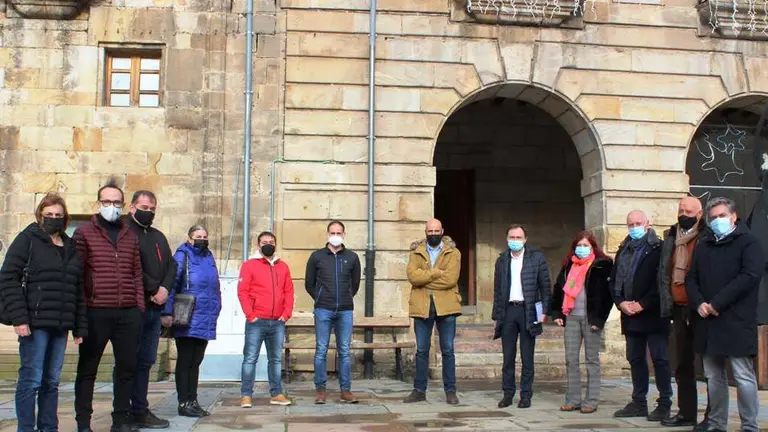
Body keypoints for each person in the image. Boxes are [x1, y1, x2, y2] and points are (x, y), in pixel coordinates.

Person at [0, 193, 87, 432]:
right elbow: (8, 278)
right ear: (40, 215)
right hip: (33, 324)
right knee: (31, 379)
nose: (53, 219)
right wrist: (19, 318)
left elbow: (76, 288)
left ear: (65, 218)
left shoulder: (70, 246)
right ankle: (26, 428)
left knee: (52, 381)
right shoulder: (27, 239)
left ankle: (49, 428)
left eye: (58, 215)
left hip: (60, 325)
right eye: (49, 215)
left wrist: (80, 326)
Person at [686, 197, 763, 432]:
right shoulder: (705, 244)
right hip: (708, 321)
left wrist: (717, 303)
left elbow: (749, 276)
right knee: (713, 376)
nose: (717, 220)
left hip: (737, 319)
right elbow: (692, 278)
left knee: (742, 376)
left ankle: (749, 426)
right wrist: (699, 303)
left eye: (722, 216)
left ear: (733, 216)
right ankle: (717, 424)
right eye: (713, 217)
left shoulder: (749, 243)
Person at [74, 178, 145, 432]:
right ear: (98, 203)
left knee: (127, 368)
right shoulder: (83, 232)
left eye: (116, 202)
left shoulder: (130, 234)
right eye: (107, 201)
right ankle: (83, 423)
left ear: (124, 205)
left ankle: (120, 419)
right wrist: (81, 313)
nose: (111, 206)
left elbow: (137, 272)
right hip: (96, 311)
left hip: (127, 313)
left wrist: (138, 307)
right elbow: (78, 275)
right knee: (87, 371)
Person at [611, 210, 672, 422]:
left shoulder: (659, 248)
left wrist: (642, 304)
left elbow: (662, 281)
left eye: (638, 223)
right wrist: (620, 302)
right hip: (629, 314)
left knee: (660, 359)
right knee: (635, 358)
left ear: (648, 224)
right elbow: (614, 280)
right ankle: (639, 401)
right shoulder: (623, 249)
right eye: (631, 224)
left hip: (653, 314)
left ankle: (665, 403)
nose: (634, 227)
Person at [658, 196, 711, 429]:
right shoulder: (671, 236)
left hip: (701, 309)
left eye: (689, 211)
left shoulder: (706, 237)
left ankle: (712, 416)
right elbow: (664, 272)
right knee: (682, 364)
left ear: (699, 214)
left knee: (709, 366)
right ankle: (686, 413)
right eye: (681, 209)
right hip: (678, 309)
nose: (684, 214)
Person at [124, 190, 175, 429]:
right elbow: (129, 266)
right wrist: (154, 288)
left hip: (156, 308)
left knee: (146, 361)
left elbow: (171, 265)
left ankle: (140, 409)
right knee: (128, 361)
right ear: (132, 207)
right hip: (135, 306)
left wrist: (164, 288)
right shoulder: (124, 231)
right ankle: (123, 411)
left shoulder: (157, 236)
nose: (149, 212)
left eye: (153, 208)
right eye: (144, 207)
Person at [550, 231, 613, 414]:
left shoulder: (602, 265)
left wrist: (599, 319)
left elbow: (607, 296)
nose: (582, 249)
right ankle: (573, 399)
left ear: (593, 247)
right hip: (571, 317)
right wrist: (556, 313)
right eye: (579, 245)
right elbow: (558, 289)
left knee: (591, 360)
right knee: (571, 360)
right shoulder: (569, 265)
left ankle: (591, 401)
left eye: (586, 245)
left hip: (591, 318)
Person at [161, 225, 222, 418]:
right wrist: (167, 311)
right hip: (187, 316)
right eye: (198, 236)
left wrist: (217, 307)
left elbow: (214, 286)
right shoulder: (182, 256)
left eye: (205, 236)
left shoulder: (208, 257)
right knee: (185, 360)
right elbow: (171, 286)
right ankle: (183, 401)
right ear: (189, 238)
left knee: (196, 361)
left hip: (205, 317)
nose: (202, 239)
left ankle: (193, 400)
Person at [402, 219, 461, 405]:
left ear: (442, 230)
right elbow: (412, 277)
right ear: (425, 232)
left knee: (448, 350)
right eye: (430, 231)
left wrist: (425, 278)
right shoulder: (416, 252)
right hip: (422, 306)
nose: (433, 234)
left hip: (447, 306)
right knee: (421, 350)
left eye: (437, 230)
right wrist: (436, 273)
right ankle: (419, 390)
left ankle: (450, 391)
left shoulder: (454, 252)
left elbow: (451, 279)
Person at [492, 224, 551, 409]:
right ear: (507, 239)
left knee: (527, 356)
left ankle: (526, 395)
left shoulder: (536, 258)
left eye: (518, 238)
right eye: (512, 237)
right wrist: (497, 314)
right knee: (508, 356)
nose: (515, 241)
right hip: (509, 311)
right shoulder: (502, 260)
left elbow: (545, 287)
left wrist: (544, 312)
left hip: (528, 310)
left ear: (525, 239)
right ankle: (507, 394)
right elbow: (497, 289)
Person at [305, 220, 361, 404]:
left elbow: (355, 284)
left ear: (344, 234)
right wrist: (321, 298)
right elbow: (309, 283)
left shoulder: (352, 257)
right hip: (323, 310)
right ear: (327, 234)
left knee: (344, 350)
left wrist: (345, 297)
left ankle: (346, 390)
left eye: (339, 233)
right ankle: (320, 390)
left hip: (345, 310)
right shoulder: (317, 257)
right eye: (332, 232)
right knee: (321, 350)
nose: (335, 236)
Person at [238, 231, 295, 408]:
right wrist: (251, 315)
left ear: (275, 244)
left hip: (277, 321)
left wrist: (286, 314)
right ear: (258, 245)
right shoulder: (249, 265)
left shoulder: (283, 266)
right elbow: (243, 292)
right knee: (250, 358)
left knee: (275, 359)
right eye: (264, 242)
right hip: (257, 321)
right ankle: (246, 395)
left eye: (271, 241)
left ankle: (277, 393)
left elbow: (289, 291)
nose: (268, 244)